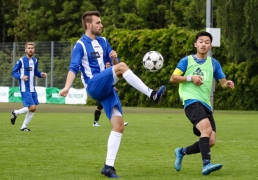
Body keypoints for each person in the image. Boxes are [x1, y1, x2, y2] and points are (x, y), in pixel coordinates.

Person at [59, 11, 165, 178]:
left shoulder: (104, 42)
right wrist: (67, 87)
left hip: (106, 87)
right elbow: (74, 67)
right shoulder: (80, 45)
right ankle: (152, 94)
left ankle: (108, 167)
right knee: (122, 66)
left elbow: (116, 67)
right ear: (89, 25)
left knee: (119, 126)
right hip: (94, 85)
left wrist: (115, 59)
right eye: (98, 23)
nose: (102, 25)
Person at [170, 31, 235, 175]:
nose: (203, 44)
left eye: (206, 42)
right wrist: (190, 78)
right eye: (200, 41)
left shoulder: (214, 63)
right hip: (191, 101)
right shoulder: (187, 61)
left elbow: (222, 83)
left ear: (210, 46)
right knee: (206, 130)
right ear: (195, 44)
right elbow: (173, 78)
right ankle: (206, 164)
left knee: (211, 140)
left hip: (206, 104)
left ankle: (181, 152)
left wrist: (227, 83)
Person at [10, 42, 47, 131]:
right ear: (25, 50)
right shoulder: (21, 61)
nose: (30, 49)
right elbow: (13, 72)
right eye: (29, 48)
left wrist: (41, 74)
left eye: (32, 48)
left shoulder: (35, 60)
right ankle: (16, 112)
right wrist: (21, 77)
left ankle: (23, 126)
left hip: (32, 88)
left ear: (34, 50)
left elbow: (35, 72)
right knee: (32, 107)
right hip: (24, 88)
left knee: (33, 109)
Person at [86, 62, 129, 127]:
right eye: (107, 64)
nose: (108, 65)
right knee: (99, 107)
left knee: (114, 105)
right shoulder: (102, 71)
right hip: (101, 92)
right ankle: (95, 122)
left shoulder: (111, 71)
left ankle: (119, 122)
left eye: (109, 64)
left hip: (108, 91)